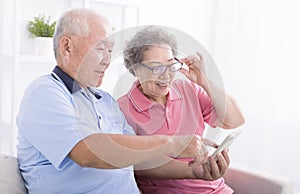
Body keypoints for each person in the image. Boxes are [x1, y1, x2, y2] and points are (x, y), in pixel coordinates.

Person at [16, 9, 216, 194]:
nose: (107, 60)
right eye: (100, 48)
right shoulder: (44, 93)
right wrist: (172, 143)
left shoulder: (105, 101)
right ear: (67, 47)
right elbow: (87, 151)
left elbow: (139, 160)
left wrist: (195, 172)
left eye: (110, 51)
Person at [117, 26, 245, 194]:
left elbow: (235, 120)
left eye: (171, 65)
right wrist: (196, 170)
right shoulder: (122, 109)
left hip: (217, 190)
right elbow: (134, 164)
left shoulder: (188, 89)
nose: (166, 76)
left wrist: (204, 81)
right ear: (136, 69)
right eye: (157, 68)